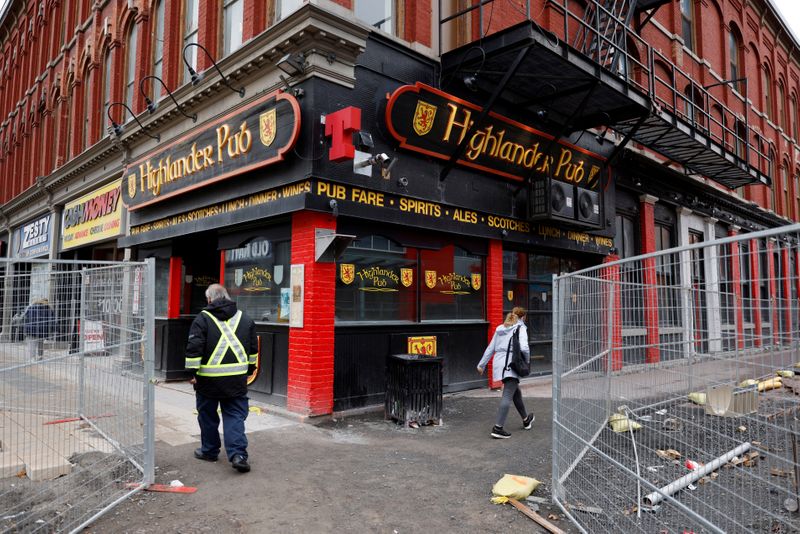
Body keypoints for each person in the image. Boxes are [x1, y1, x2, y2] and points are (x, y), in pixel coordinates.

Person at [185, 283, 258, 473]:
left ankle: (209, 451)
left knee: (208, 416)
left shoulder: (202, 318)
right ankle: (238, 455)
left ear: (209, 299)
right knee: (235, 415)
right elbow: (253, 349)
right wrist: (250, 369)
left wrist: (192, 373)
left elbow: (195, 348)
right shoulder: (245, 318)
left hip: (208, 381)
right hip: (236, 380)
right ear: (226, 296)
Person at [477, 307, 534, 439]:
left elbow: (491, 348)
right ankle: (498, 428)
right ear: (523, 317)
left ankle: (526, 420)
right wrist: (527, 361)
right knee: (508, 394)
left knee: (515, 391)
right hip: (512, 364)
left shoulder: (500, 328)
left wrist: (481, 365)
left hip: (499, 364)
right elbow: (524, 348)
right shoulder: (521, 328)